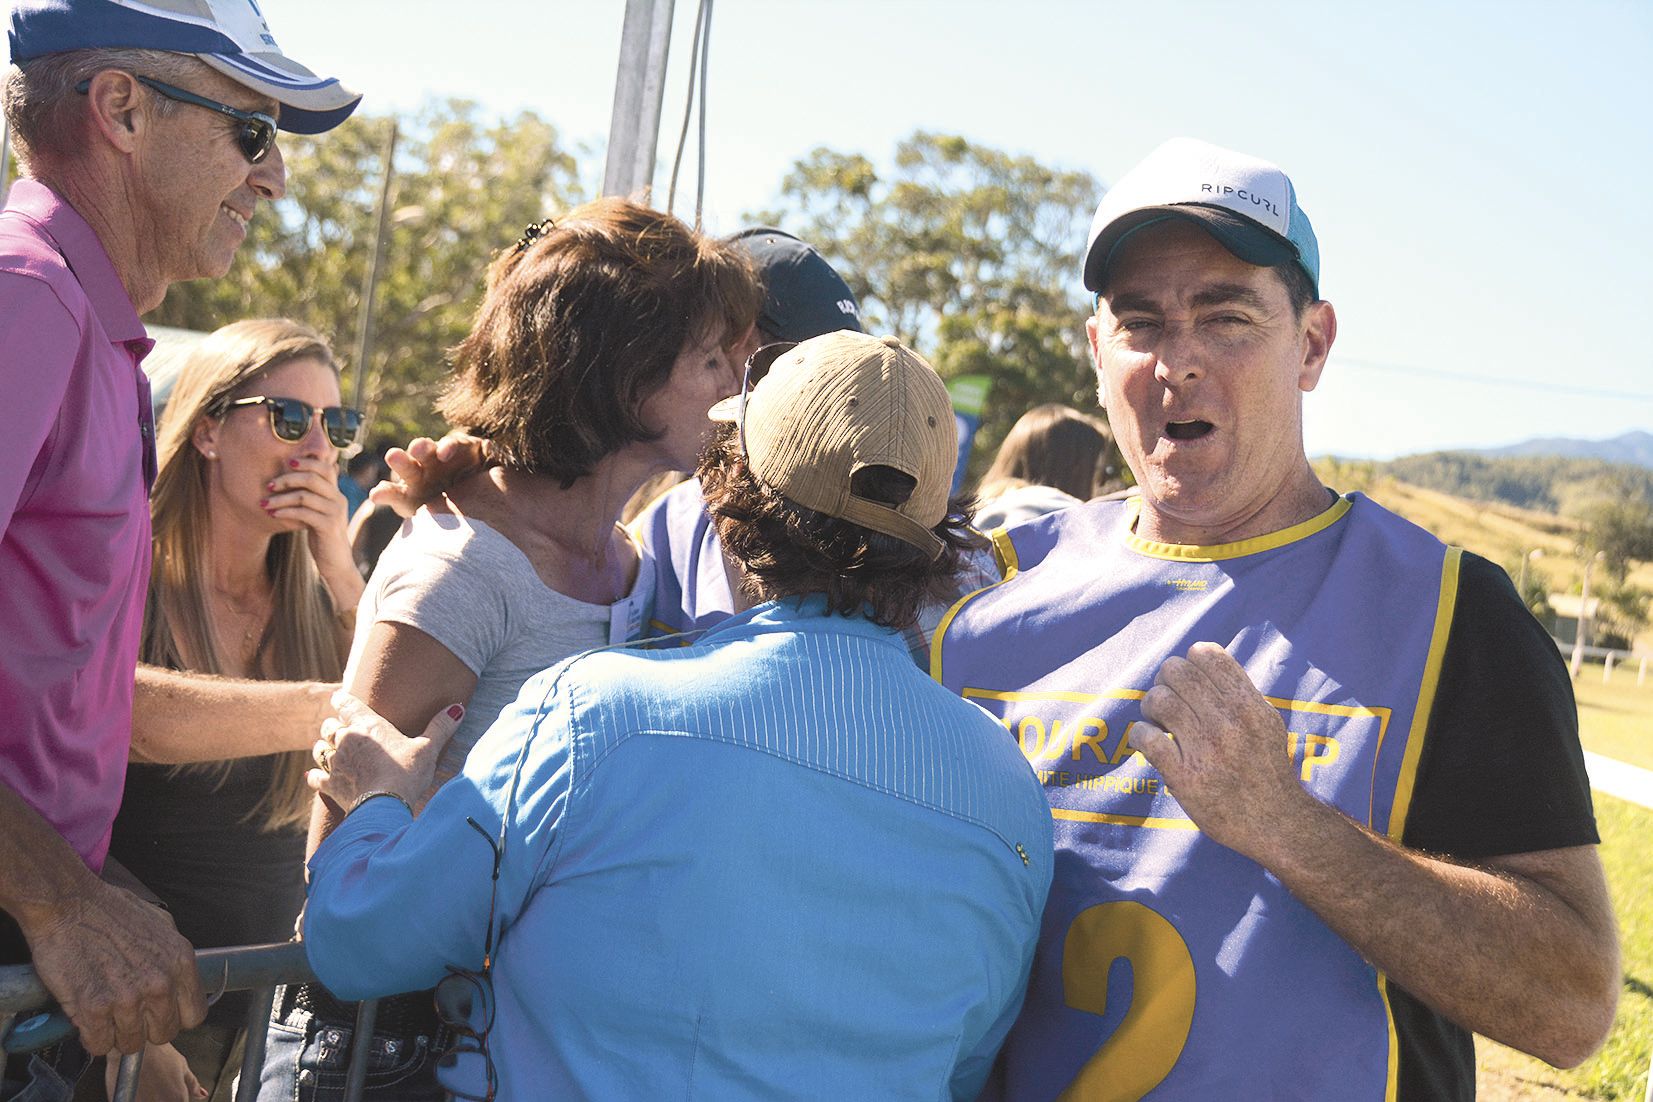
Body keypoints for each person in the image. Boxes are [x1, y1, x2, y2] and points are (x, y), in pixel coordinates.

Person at [930, 138, 1618, 1099]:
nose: (1178, 362)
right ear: (1096, 355)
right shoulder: (982, 597)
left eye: (1226, 318)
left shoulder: (1451, 612)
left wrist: (1288, 826)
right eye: (1141, 323)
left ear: (1312, 343)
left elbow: (1573, 1008)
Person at [300, 331, 1054, 1100]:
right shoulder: (1008, 788)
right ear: (930, 540)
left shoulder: (592, 716)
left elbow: (361, 939)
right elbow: (965, 1061)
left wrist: (375, 805)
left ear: (730, 498)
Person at [258, 199, 762, 1101]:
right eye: (712, 358)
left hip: (510, 1040)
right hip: (390, 1041)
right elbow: (337, 865)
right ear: (624, 370)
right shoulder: (458, 567)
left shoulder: (632, 564)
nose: (735, 385)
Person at [0, 0, 357, 1093]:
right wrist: (62, 900)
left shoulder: (85, 322)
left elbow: (81, 699)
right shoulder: (28, 299)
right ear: (121, 109)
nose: (273, 178)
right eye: (251, 132)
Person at [104, 319, 362, 1100]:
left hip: (267, 1027)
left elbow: (404, 713)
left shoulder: (318, 601)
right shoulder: (126, 566)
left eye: (337, 426)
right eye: (290, 419)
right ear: (209, 430)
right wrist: (329, 708)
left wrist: (341, 567)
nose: (317, 449)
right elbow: (120, 714)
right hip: (120, 1003)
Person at [973, 403, 1125, 530]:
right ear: (1076, 470)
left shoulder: (973, 514)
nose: (1101, 482)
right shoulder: (1069, 523)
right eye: (1100, 471)